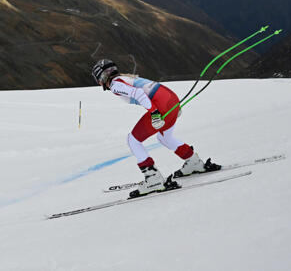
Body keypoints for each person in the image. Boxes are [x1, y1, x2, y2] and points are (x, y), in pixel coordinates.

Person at [91, 59, 220, 197]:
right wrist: (173, 106)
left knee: (132, 140)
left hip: (161, 106)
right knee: (165, 137)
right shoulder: (126, 78)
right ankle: (194, 162)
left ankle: (153, 179)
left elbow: (138, 94)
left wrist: (154, 113)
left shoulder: (116, 84)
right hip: (170, 100)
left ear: (102, 77)